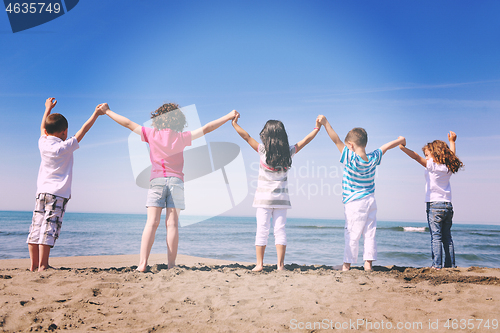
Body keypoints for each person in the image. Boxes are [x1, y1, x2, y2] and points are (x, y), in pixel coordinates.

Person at [99, 102, 237, 271]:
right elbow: (207, 128)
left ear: (158, 119)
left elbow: (127, 123)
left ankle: (142, 264)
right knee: (172, 224)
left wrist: (108, 111)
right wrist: (229, 115)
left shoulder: (151, 134)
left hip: (157, 180)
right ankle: (171, 265)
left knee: (151, 222)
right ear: (178, 120)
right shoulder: (181, 137)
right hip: (176, 182)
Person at [232, 114, 322, 271]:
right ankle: (280, 265)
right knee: (280, 230)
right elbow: (305, 140)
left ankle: (259, 264)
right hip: (281, 200)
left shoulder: (262, 151)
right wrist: (316, 128)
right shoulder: (288, 152)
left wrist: (234, 124)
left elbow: (246, 137)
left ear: (266, 136)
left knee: (262, 229)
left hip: (263, 200)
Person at [317, 115, 405, 271]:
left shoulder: (351, 158)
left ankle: (346, 265)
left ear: (350, 145)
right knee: (369, 232)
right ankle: (368, 264)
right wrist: (400, 141)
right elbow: (385, 147)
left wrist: (325, 123)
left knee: (352, 233)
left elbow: (335, 140)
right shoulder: (372, 158)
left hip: (354, 202)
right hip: (370, 201)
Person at [28, 97, 104, 272]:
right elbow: (83, 131)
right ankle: (43, 265)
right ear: (64, 131)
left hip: (41, 193)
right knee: (49, 229)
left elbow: (42, 127)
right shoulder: (64, 147)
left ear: (47, 131)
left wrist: (47, 108)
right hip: (57, 194)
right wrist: (96, 114)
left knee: (36, 227)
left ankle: (33, 265)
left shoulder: (42, 142)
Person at [399, 131, 463, 269]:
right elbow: (451, 155)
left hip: (434, 205)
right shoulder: (448, 167)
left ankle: (437, 265)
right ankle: (450, 265)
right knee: (447, 237)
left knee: (436, 237)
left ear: (436, 153)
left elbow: (415, 157)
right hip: (448, 206)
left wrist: (403, 148)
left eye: (427, 155)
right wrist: (452, 141)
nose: (426, 157)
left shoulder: (432, 165)